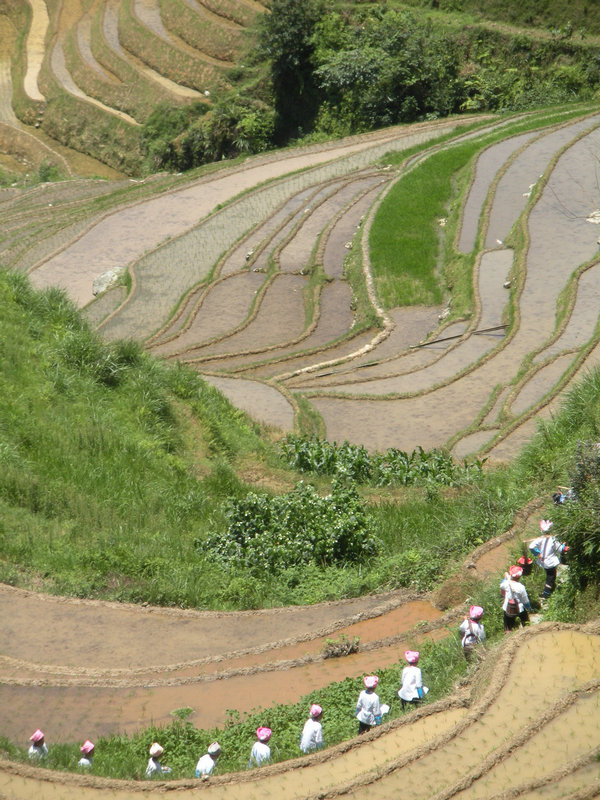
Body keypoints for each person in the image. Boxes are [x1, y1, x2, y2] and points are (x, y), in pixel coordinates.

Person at [529, 519, 569, 599]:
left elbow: (531, 546)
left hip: (543, 561)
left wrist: (538, 553)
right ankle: (546, 593)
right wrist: (564, 546)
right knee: (551, 577)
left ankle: (550, 588)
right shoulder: (553, 540)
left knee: (549, 574)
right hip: (550, 562)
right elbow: (560, 549)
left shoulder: (540, 539)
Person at [500, 565, 532, 632]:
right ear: (519, 576)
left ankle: (507, 631)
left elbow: (502, 586)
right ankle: (527, 629)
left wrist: (506, 578)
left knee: (507, 622)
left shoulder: (505, 583)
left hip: (507, 607)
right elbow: (525, 600)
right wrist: (529, 608)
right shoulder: (521, 587)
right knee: (525, 619)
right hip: (519, 608)